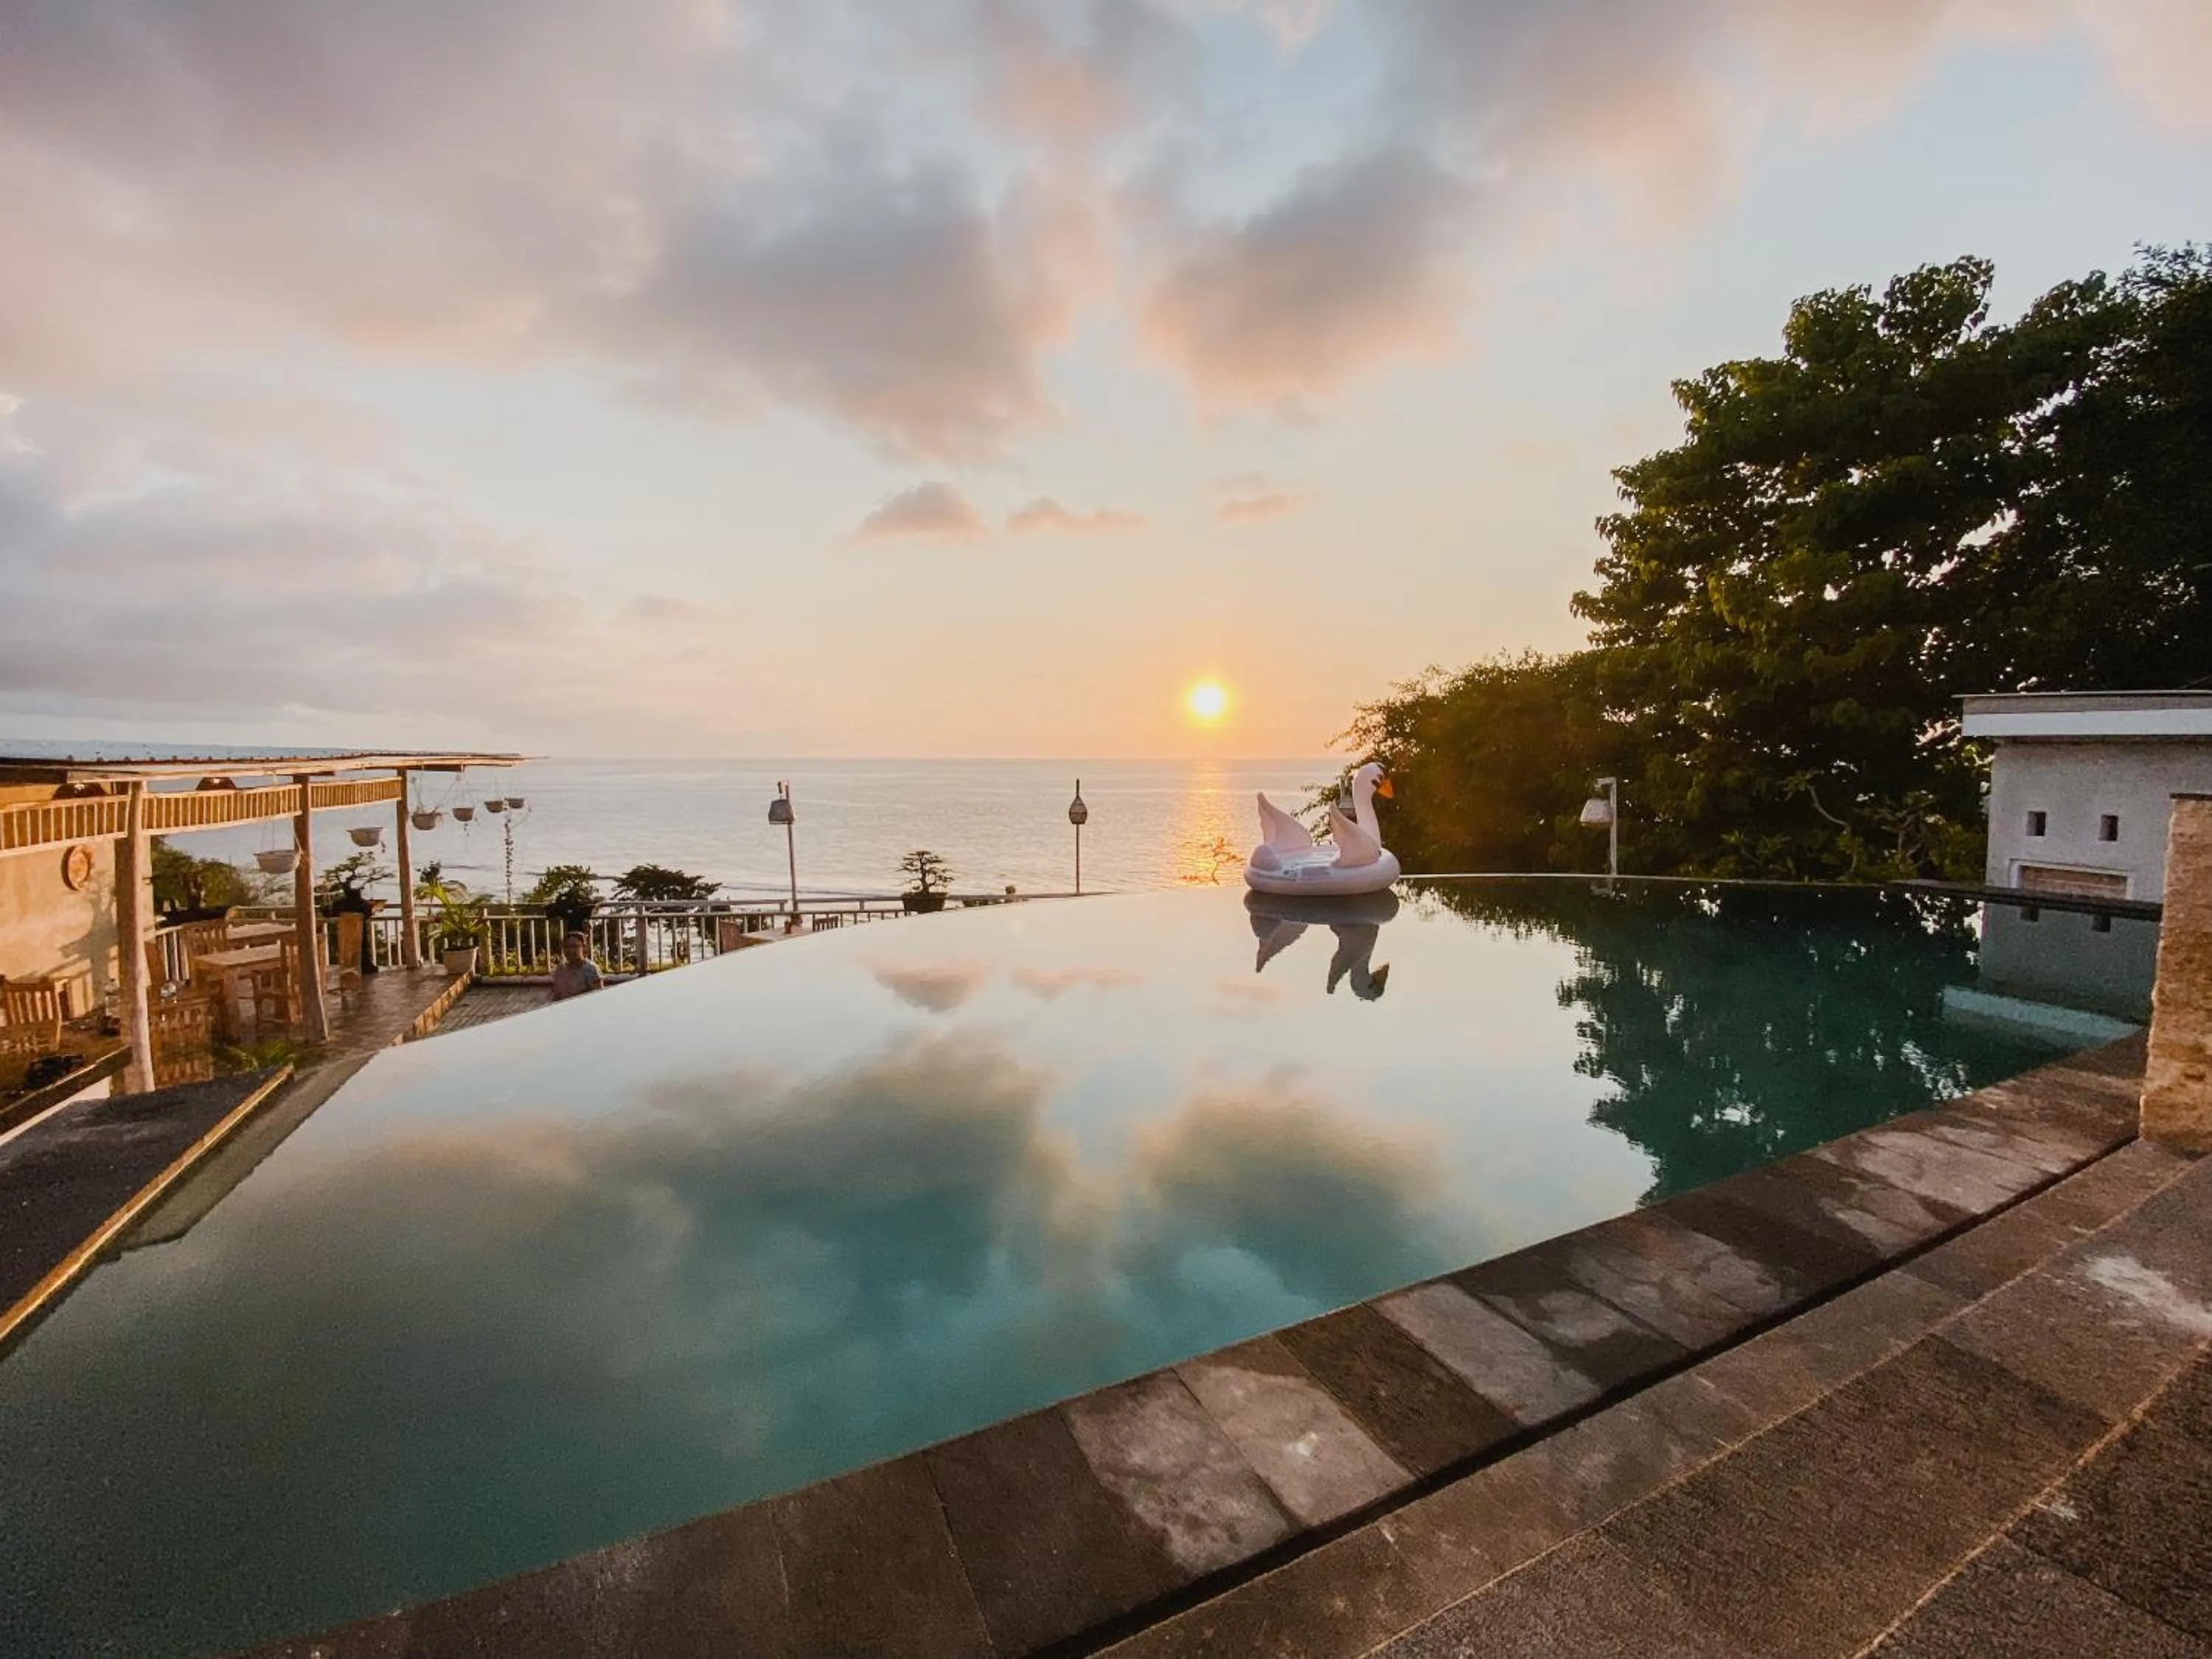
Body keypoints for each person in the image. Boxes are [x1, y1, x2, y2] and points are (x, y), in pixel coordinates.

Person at [549, 932, 603, 1001]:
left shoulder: (591, 969)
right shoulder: (560, 970)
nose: (570, 950)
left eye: (575, 947)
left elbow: (598, 998)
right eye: (567, 947)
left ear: (583, 947)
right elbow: (557, 997)